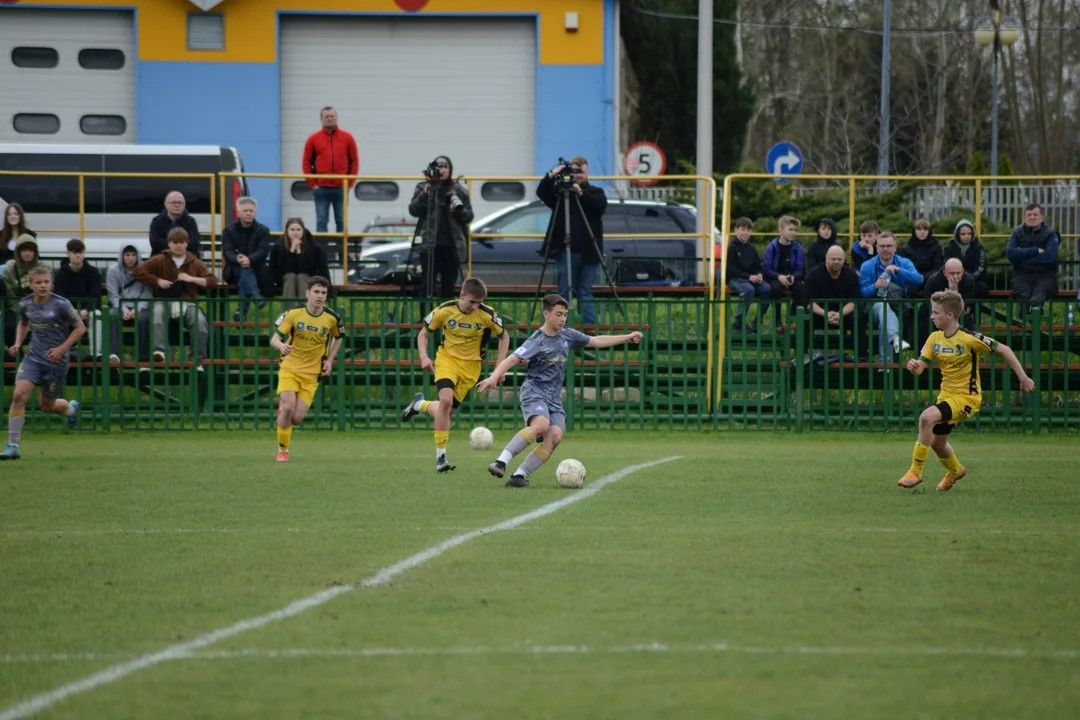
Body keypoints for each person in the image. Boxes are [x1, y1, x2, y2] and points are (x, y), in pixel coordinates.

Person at [477, 293, 642, 488]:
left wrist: (626, 338)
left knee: (555, 436)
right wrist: (495, 376)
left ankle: (519, 476)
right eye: (558, 314)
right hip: (534, 391)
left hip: (553, 397)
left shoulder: (568, 335)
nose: (563, 318)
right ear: (546, 314)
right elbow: (512, 359)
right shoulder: (537, 340)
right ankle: (500, 462)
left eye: (564, 314)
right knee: (540, 425)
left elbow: (596, 341)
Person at [898, 290, 1034, 491]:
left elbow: (1004, 349)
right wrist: (913, 366)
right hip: (946, 397)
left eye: (936, 313)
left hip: (967, 399)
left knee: (926, 418)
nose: (932, 316)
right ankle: (955, 470)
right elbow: (920, 369)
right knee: (937, 443)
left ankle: (915, 471)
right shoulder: (934, 338)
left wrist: (1023, 377)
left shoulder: (969, 338)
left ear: (950, 315)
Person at [400, 277, 509, 473]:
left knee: (445, 412)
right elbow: (422, 334)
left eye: (479, 303)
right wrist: (424, 357)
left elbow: (505, 336)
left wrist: (499, 368)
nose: (475, 306)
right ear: (462, 295)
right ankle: (441, 457)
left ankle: (419, 404)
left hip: (471, 367)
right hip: (447, 360)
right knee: (446, 401)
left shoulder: (487, 315)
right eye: (472, 302)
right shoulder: (444, 310)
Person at [1, 267, 85, 461]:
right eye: (38, 282)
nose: (43, 286)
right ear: (30, 285)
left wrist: (61, 349)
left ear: (51, 283)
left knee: (47, 406)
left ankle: (71, 409)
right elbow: (23, 323)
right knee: (19, 395)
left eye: (46, 282)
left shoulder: (61, 305)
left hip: (56, 361)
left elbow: (80, 328)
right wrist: (17, 343)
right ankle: (12, 446)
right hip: (33, 358)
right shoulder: (25, 304)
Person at [269, 276, 343, 462]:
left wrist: (330, 360)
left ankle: (284, 414)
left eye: (323, 293)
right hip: (290, 368)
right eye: (316, 292)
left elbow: (339, 336)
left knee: (296, 419)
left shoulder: (332, 318)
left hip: (312, 374)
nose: (320, 296)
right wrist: (281, 347)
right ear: (307, 293)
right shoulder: (293, 314)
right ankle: (283, 450)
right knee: (287, 409)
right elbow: (274, 339)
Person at [536, 156, 607, 325]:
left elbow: (599, 206)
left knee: (585, 291)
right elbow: (542, 192)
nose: (579, 176)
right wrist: (553, 174)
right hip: (566, 251)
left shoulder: (595, 192)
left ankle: (589, 328)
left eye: (582, 172)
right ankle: (562, 325)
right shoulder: (560, 195)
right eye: (575, 172)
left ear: (587, 173)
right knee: (564, 292)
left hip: (589, 252)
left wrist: (580, 193)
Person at [132, 227, 218, 366]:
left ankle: (198, 361)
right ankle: (159, 352)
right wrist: (158, 281)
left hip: (188, 303)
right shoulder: (159, 259)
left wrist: (192, 279)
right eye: (175, 242)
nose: (178, 245)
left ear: (187, 243)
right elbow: (137, 272)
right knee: (158, 315)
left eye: (182, 242)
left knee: (200, 322)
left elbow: (213, 281)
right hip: (164, 301)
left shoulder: (196, 262)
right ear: (169, 243)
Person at [407, 155, 474, 299]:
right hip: (429, 245)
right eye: (439, 166)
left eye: (445, 166)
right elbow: (413, 211)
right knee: (427, 284)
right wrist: (423, 195)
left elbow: (469, 216)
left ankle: (446, 318)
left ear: (450, 170)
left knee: (448, 286)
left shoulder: (458, 190)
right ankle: (426, 318)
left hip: (452, 244)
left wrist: (458, 211)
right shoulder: (423, 187)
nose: (442, 170)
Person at [858, 231, 922, 359]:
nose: (885, 249)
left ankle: (885, 365)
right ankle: (893, 344)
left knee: (885, 322)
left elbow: (919, 280)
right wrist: (875, 286)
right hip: (872, 308)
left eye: (889, 246)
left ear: (895, 247)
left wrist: (898, 270)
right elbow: (862, 293)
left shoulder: (904, 263)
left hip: (900, 307)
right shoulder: (867, 265)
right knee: (884, 308)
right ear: (876, 248)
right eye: (882, 246)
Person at [302, 106, 359, 234]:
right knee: (321, 223)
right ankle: (323, 254)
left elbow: (354, 162)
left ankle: (341, 254)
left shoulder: (347, 138)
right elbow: (306, 162)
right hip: (321, 188)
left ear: (337, 118)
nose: (329, 119)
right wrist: (313, 184)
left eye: (332, 116)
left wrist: (349, 183)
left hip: (341, 188)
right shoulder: (313, 139)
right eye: (326, 117)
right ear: (321, 119)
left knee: (341, 222)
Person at [803, 245, 863, 360]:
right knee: (805, 321)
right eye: (833, 259)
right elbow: (809, 302)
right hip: (820, 315)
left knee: (858, 319)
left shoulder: (851, 275)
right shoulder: (814, 274)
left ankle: (861, 358)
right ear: (826, 258)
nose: (836, 262)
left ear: (844, 260)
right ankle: (804, 357)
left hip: (843, 315)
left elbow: (854, 302)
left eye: (839, 259)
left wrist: (839, 314)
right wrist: (826, 314)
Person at [222, 196, 271, 321]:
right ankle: (256, 297)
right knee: (245, 271)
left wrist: (249, 259)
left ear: (255, 212)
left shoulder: (263, 230)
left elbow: (263, 251)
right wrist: (238, 259)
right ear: (239, 212)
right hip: (234, 270)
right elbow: (228, 251)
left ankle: (242, 310)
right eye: (245, 210)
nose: (248, 213)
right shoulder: (229, 230)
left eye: (251, 211)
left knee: (245, 275)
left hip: (257, 270)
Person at [52, 239, 103, 360]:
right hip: (66, 312)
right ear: (68, 254)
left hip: (87, 311)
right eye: (74, 252)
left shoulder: (93, 273)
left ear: (84, 253)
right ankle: (59, 352)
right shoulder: (60, 274)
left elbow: (96, 297)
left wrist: (85, 311)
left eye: (80, 252)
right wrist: (71, 311)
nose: (78, 255)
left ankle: (96, 353)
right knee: (54, 316)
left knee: (96, 314)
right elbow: (58, 297)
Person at [1006, 202, 1059, 314]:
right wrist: (1035, 250)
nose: (1032, 217)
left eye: (1035, 215)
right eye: (1029, 215)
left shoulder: (1051, 234)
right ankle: (1028, 326)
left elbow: (1049, 257)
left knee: (1039, 294)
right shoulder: (1017, 233)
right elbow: (1011, 253)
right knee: (1023, 296)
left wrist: (1021, 256)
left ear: (1042, 218)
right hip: (1021, 274)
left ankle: (1034, 316)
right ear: (1024, 218)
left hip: (1045, 275)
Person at [105, 244, 153, 365]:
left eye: (133, 255)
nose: (130, 258)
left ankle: (144, 360)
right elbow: (113, 295)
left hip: (140, 306)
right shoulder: (113, 271)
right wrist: (123, 309)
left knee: (145, 319)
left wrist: (137, 309)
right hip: (120, 305)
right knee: (112, 316)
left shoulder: (146, 271)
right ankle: (114, 355)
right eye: (127, 255)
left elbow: (147, 295)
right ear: (122, 256)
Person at [725, 216, 770, 333]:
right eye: (743, 229)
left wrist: (759, 275)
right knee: (748, 290)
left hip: (750, 279)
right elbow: (730, 270)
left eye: (748, 230)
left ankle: (756, 322)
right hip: (735, 279)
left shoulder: (752, 248)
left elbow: (758, 267)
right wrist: (749, 277)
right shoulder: (732, 247)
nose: (746, 232)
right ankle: (738, 323)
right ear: (736, 230)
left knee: (766, 289)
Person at [270, 217, 330, 300]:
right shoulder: (279, 246)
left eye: (298, 230)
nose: (295, 232)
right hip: (284, 280)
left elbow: (308, 270)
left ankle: (305, 309)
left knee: (302, 276)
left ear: (303, 231)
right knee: (290, 276)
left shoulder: (312, 246)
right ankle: (289, 311)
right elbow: (283, 270)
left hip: (307, 278)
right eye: (292, 230)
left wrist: (298, 251)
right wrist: (291, 251)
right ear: (287, 231)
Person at [762, 215, 806, 315]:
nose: (793, 233)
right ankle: (777, 321)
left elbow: (801, 268)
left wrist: (793, 277)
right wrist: (779, 276)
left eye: (795, 230)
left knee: (801, 289)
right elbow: (767, 268)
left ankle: (792, 319)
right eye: (790, 229)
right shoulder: (771, 247)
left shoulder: (798, 247)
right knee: (775, 289)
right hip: (775, 278)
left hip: (792, 277)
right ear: (781, 230)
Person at [943, 219, 989, 299]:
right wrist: (957, 278)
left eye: (969, 234)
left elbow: (980, 268)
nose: (967, 236)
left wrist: (968, 279)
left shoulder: (978, 247)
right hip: (954, 280)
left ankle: (971, 309)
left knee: (982, 288)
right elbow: (946, 267)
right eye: (963, 234)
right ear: (957, 234)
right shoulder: (949, 248)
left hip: (975, 281)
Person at [898, 218, 943, 297]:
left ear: (929, 231)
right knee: (909, 290)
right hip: (912, 279)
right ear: (914, 231)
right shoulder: (906, 248)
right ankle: (909, 309)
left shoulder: (936, 247)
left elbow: (937, 268)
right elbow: (905, 269)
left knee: (935, 288)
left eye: (925, 229)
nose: (922, 232)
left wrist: (923, 277)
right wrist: (916, 277)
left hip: (931, 279)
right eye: (919, 229)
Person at [149, 192, 202, 257]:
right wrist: (180, 244)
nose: (177, 205)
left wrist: (171, 244)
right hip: (161, 258)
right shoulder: (157, 221)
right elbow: (155, 243)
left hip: (186, 259)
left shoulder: (191, 221)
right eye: (173, 202)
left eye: (180, 203)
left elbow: (194, 243)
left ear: (184, 204)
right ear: (166, 204)